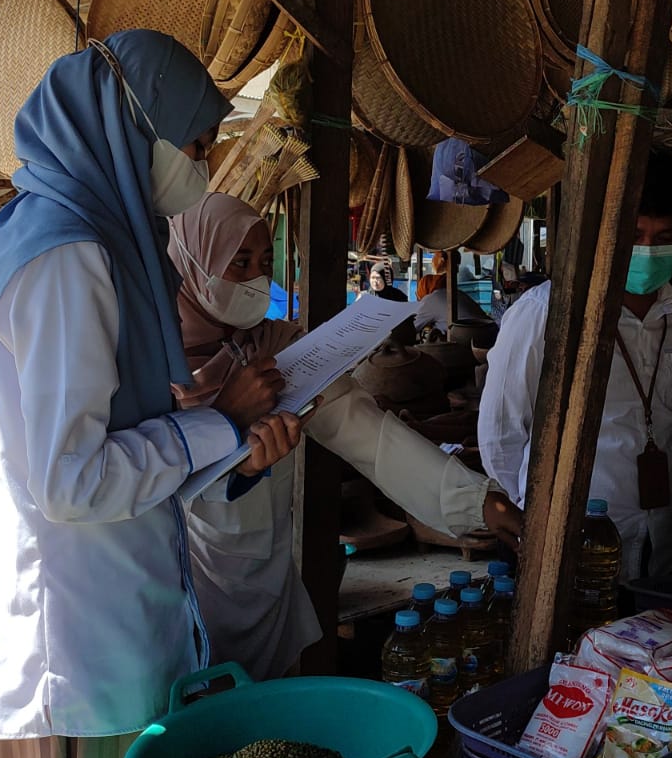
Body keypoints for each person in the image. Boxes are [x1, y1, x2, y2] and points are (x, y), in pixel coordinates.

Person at [0, 31, 302, 758]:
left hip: (112, 623)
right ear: (129, 128)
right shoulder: (67, 256)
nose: (204, 163)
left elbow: (113, 431)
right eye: (194, 141)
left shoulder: (96, 238)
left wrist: (225, 450)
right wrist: (215, 424)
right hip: (80, 653)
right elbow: (70, 479)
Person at [169, 193, 524, 677]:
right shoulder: (150, 367)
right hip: (187, 584)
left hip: (268, 578)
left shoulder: (277, 350)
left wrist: (473, 499)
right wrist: (235, 445)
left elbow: (368, 434)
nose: (256, 278)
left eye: (265, 261)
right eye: (240, 262)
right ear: (192, 262)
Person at [478, 151, 672, 578]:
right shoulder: (545, 312)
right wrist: (534, 510)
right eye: (635, 235)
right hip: (570, 544)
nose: (649, 250)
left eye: (664, 236)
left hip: (659, 538)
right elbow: (500, 433)